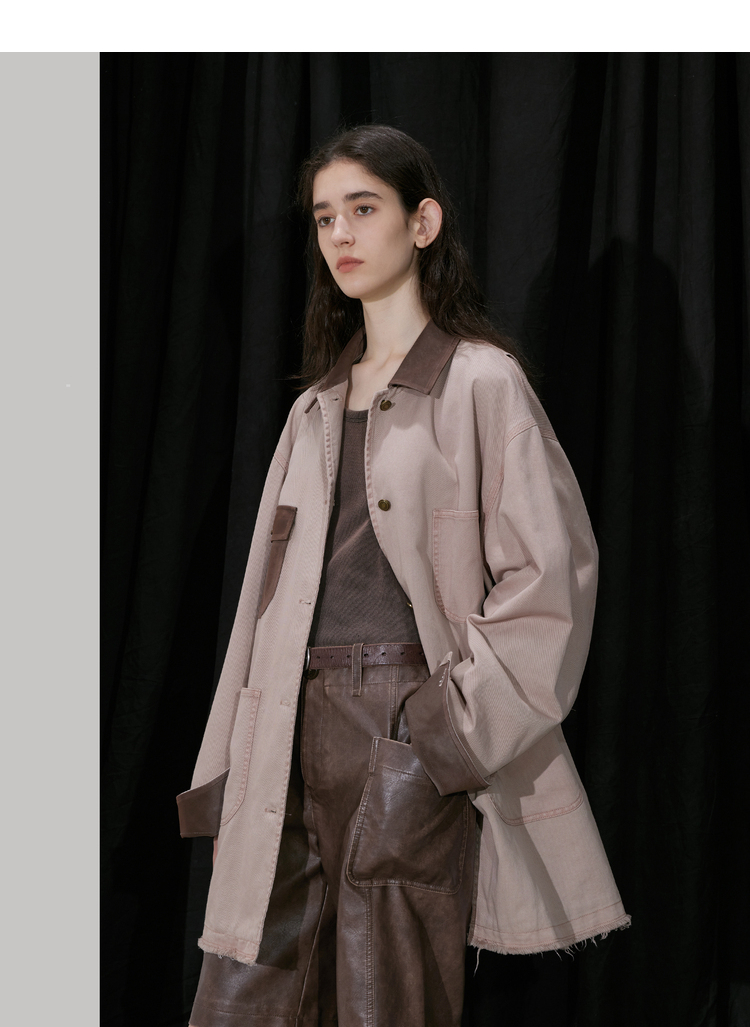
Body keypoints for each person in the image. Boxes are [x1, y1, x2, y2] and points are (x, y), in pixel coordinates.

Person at [177, 124, 630, 1027]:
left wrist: (444, 730)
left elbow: (552, 582)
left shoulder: (482, 383)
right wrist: (230, 763)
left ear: (422, 223)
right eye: (324, 217)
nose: (340, 233)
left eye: (363, 208)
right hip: (289, 728)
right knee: (249, 999)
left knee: (386, 997)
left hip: (404, 723)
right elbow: (260, 610)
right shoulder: (311, 410)